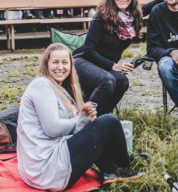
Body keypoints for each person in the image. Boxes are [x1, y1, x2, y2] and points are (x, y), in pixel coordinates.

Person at [16, 44, 145, 191]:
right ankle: (126, 161)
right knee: (109, 122)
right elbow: (52, 129)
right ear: (46, 64)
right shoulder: (42, 85)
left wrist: (84, 119)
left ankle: (111, 170)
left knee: (96, 126)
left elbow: (72, 131)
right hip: (46, 168)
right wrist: (79, 119)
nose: (60, 67)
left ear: (71, 65)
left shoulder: (61, 88)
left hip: (48, 166)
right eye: (55, 62)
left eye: (65, 63)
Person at [73, 0, 169, 116]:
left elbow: (158, 1)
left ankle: (101, 118)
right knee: (108, 80)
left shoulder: (131, 16)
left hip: (102, 67)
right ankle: (82, 120)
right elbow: (88, 50)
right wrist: (114, 66)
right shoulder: (102, 16)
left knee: (122, 81)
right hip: (82, 62)